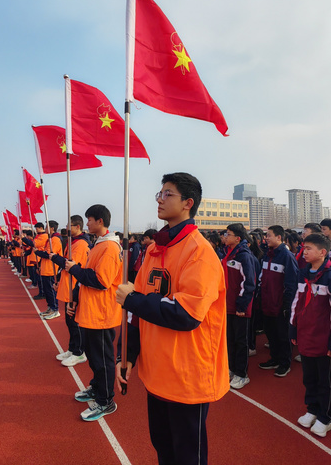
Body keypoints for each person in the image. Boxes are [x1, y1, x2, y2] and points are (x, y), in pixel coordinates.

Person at [115, 173, 229, 465]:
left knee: (188, 455)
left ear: (188, 203)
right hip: (157, 371)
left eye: (168, 194)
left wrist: (133, 300)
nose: (160, 199)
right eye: (160, 193)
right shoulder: (155, 250)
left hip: (186, 374)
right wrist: (126, 354)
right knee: (163, 448)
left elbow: (186, 314)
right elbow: (136, 313)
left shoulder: (199, 252)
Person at [65, 204, 123, 422]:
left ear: (100, 221)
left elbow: (101, 281)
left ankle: (105, 400)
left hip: (102, 313)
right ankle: (97, 387)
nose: (86, 223)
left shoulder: (109, 247)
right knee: (94, 356)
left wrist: (74, 269)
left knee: (103, 359)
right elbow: (88, 276)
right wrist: (76, 299)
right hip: (91, 311)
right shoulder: (99, 244)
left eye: (89, 220)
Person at [290, 233, 331, 438]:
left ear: (322, 252)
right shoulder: (302, 273)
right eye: (303, 248)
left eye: (308, 248)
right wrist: (293, 327)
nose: (303, 252)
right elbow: (296, 303)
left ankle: (325, 417)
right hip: (306, 336)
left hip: (325, 340)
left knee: (326, 380)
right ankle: (312, 408)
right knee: (309, 378)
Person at [50, 215, 91, 367]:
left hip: (74, 286)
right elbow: (65, 265)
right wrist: (59, 280)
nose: (67, 228)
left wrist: (55, 258)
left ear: (77, 227)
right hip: (67, 284)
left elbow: (73, 265)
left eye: (69, 225)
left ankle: (79, 352)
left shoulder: (81, 244)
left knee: (74, 321)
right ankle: (72, 348)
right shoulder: (72, 242)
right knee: (69, 321)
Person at [259, 225, 298, 377]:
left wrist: (286, 305)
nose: (266, 238)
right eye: (266, 236)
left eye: (269, 235)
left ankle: (284, 363)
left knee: (283, 335)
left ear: (279, 237)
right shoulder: (267, 255)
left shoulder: (287, 257)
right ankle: (274, 359)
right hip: (267, 303)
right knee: (271, 333)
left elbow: (291, 283)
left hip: (280, 305)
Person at [222, 223, 257, 390]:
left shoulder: (243, 256)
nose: (225, 236)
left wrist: (241, 306)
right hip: (227, 305)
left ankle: (242, 374)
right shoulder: (228, 254)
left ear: (237, 238)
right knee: (229, 340)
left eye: (228, 234)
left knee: (240, 341)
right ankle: (231, 369)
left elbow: (249, 282)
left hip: (240, 307)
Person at [34, 221, 63, 320]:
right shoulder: (50, 239)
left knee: (51, 291)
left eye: (47, 227)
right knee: (47, 291)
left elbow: (50, 255)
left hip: (51, 269)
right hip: (46, 269)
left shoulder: (54, 240)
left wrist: (37, 252)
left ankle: (55, 310)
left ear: (52, 228)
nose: (45, 229)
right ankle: (50, 307)